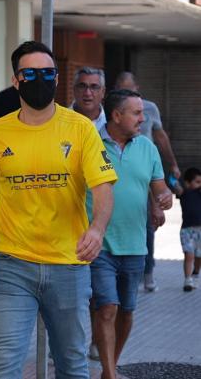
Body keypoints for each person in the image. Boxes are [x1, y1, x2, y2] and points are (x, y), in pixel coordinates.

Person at [0, 40, 117, 379]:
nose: (40, 80)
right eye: (31, 73)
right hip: (11, 265)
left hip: (68, 264)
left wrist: (97, 228)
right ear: (16, 80)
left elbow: (103, 188)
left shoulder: (80, 129)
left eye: (47, 73)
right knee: (4, 363)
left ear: (56, 79)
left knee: (71, 363)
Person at [88, 89, 172, 379]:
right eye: (136, 113)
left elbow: (159, 187)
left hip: (135, 243)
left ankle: (111, 362)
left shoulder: (148, 147)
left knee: (126, 311)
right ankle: (109, 373)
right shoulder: (91, 143)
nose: (142, 118)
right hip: (99, 244)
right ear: (116, 115)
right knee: (107, 307)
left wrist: (163, 200)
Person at [115, 71, 180, 292]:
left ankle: (148, 270)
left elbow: (161, 137)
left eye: (130, 87)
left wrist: (172, 164)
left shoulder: (150, 109)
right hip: (118, 170)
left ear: (137, 87)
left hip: (146, 170)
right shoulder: (112, 110)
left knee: (148, 224)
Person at [70, 65, 108, 362]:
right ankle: (68, 346)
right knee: (70, 295)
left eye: (94, 87)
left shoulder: (115, 125)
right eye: (83, 86)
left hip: (106, 226)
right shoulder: (59, 122)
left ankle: (97, 343)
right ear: (73, 89)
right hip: (68, 224)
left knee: (104, 296)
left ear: (103, 92)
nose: (88, 92)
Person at [175, 167, 201, 291]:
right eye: (197, 182)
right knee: (189, 254)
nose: (199, 184)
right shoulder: (184, 193)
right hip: (187, 230)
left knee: (198, 256)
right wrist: (174, 176)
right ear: (187, 182)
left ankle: (195, 273)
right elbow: (174, 184)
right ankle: (187, 280)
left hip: (200, 230)